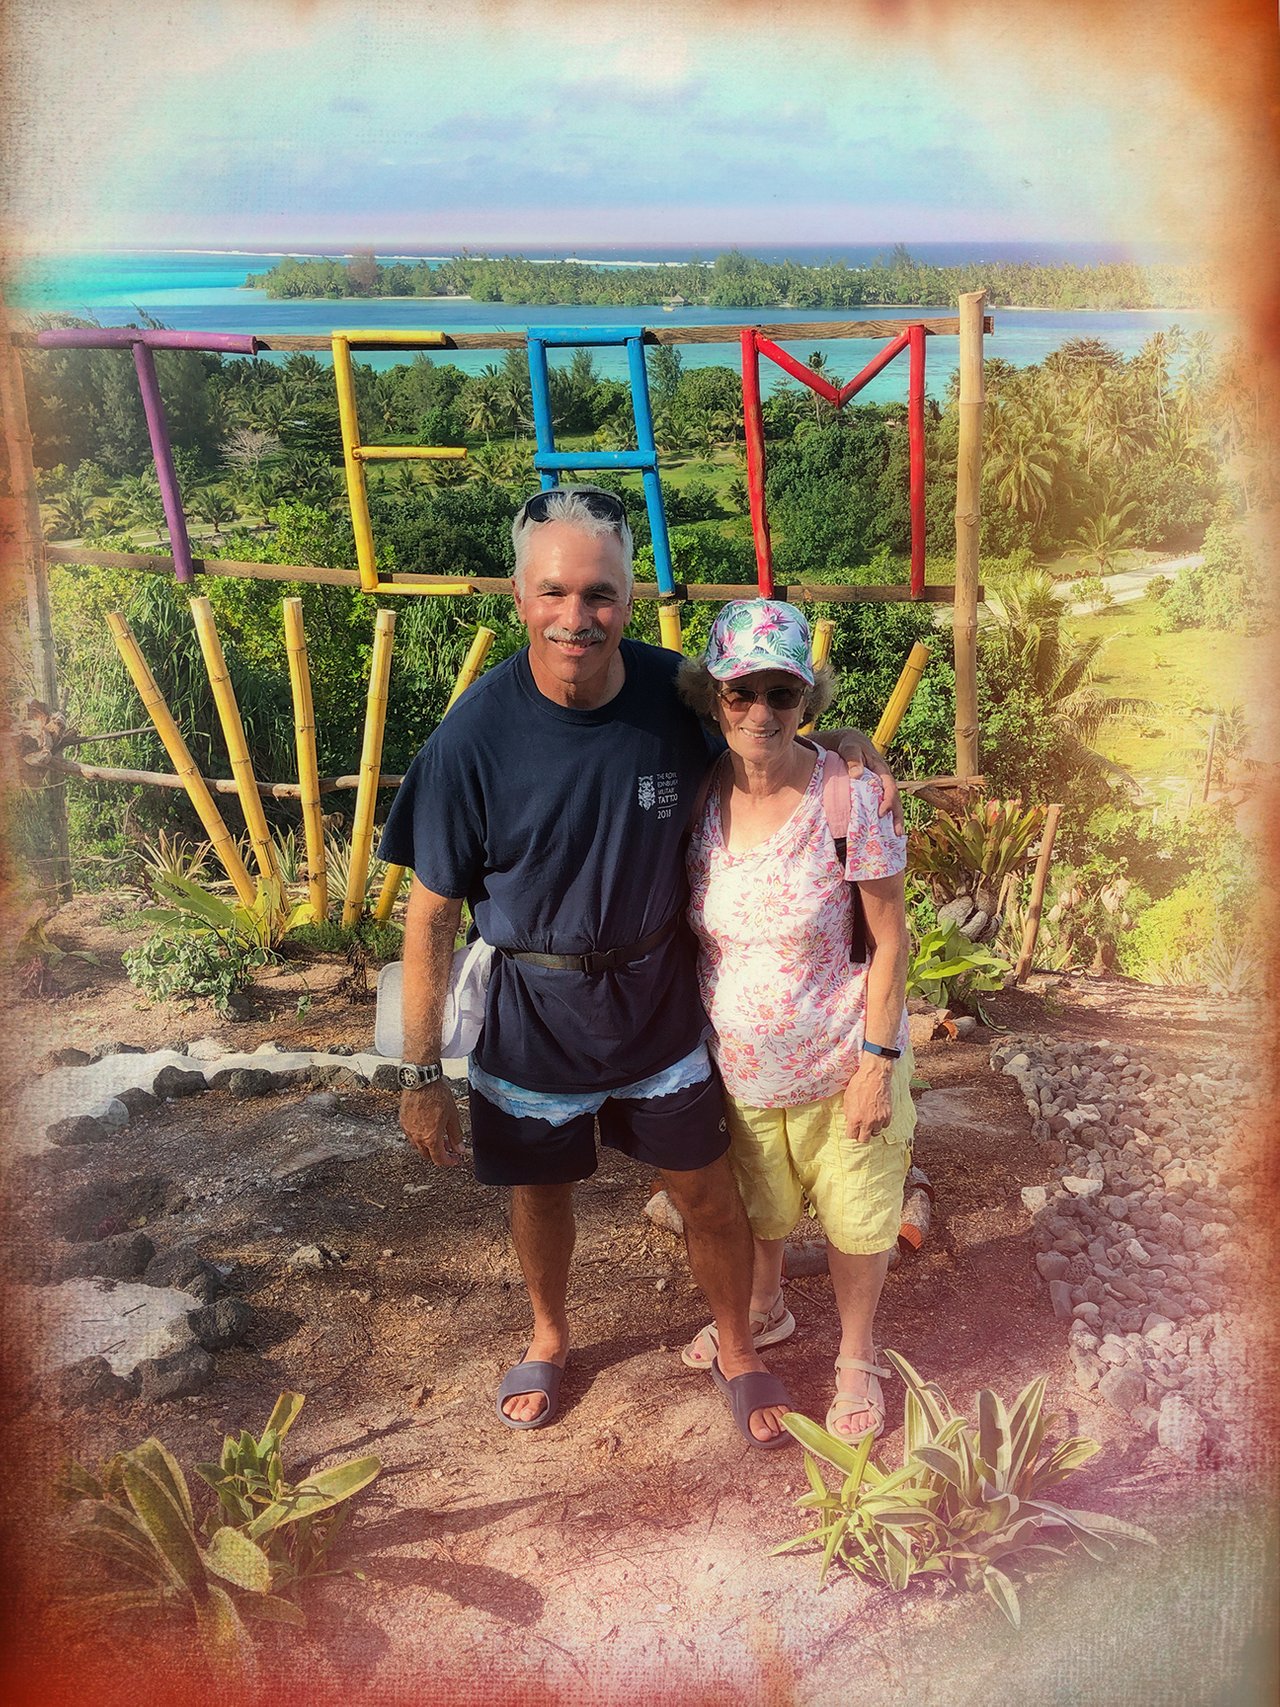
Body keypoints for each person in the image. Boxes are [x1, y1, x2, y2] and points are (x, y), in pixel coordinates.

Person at [379, 486, 900, 1447]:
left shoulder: (675, 696)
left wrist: (841, 747)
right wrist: (419, 1074)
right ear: (518, 593)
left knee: (705, 1187)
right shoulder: (471, 743)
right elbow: (432, 915)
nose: (578, 617)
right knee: (540, 1191)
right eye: (555, 592)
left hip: (661, 1000)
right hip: (533, 1007)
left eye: (601, 593)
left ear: (628, 594)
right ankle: (548, 1331)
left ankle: (740, 1347)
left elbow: (763, 724)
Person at [677, 598, 915, 1441]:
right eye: (741, 692)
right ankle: (765, 1310)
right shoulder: (699, 790)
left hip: (842, 1061)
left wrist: (878, 1062)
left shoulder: (847, 796)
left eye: (782, 693)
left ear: (807, 701)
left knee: (856, 1220)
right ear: (714, 697)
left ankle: (857, 1358)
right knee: (760, 1211)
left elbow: (892, 940)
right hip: (740, 1070)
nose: (760, 712)